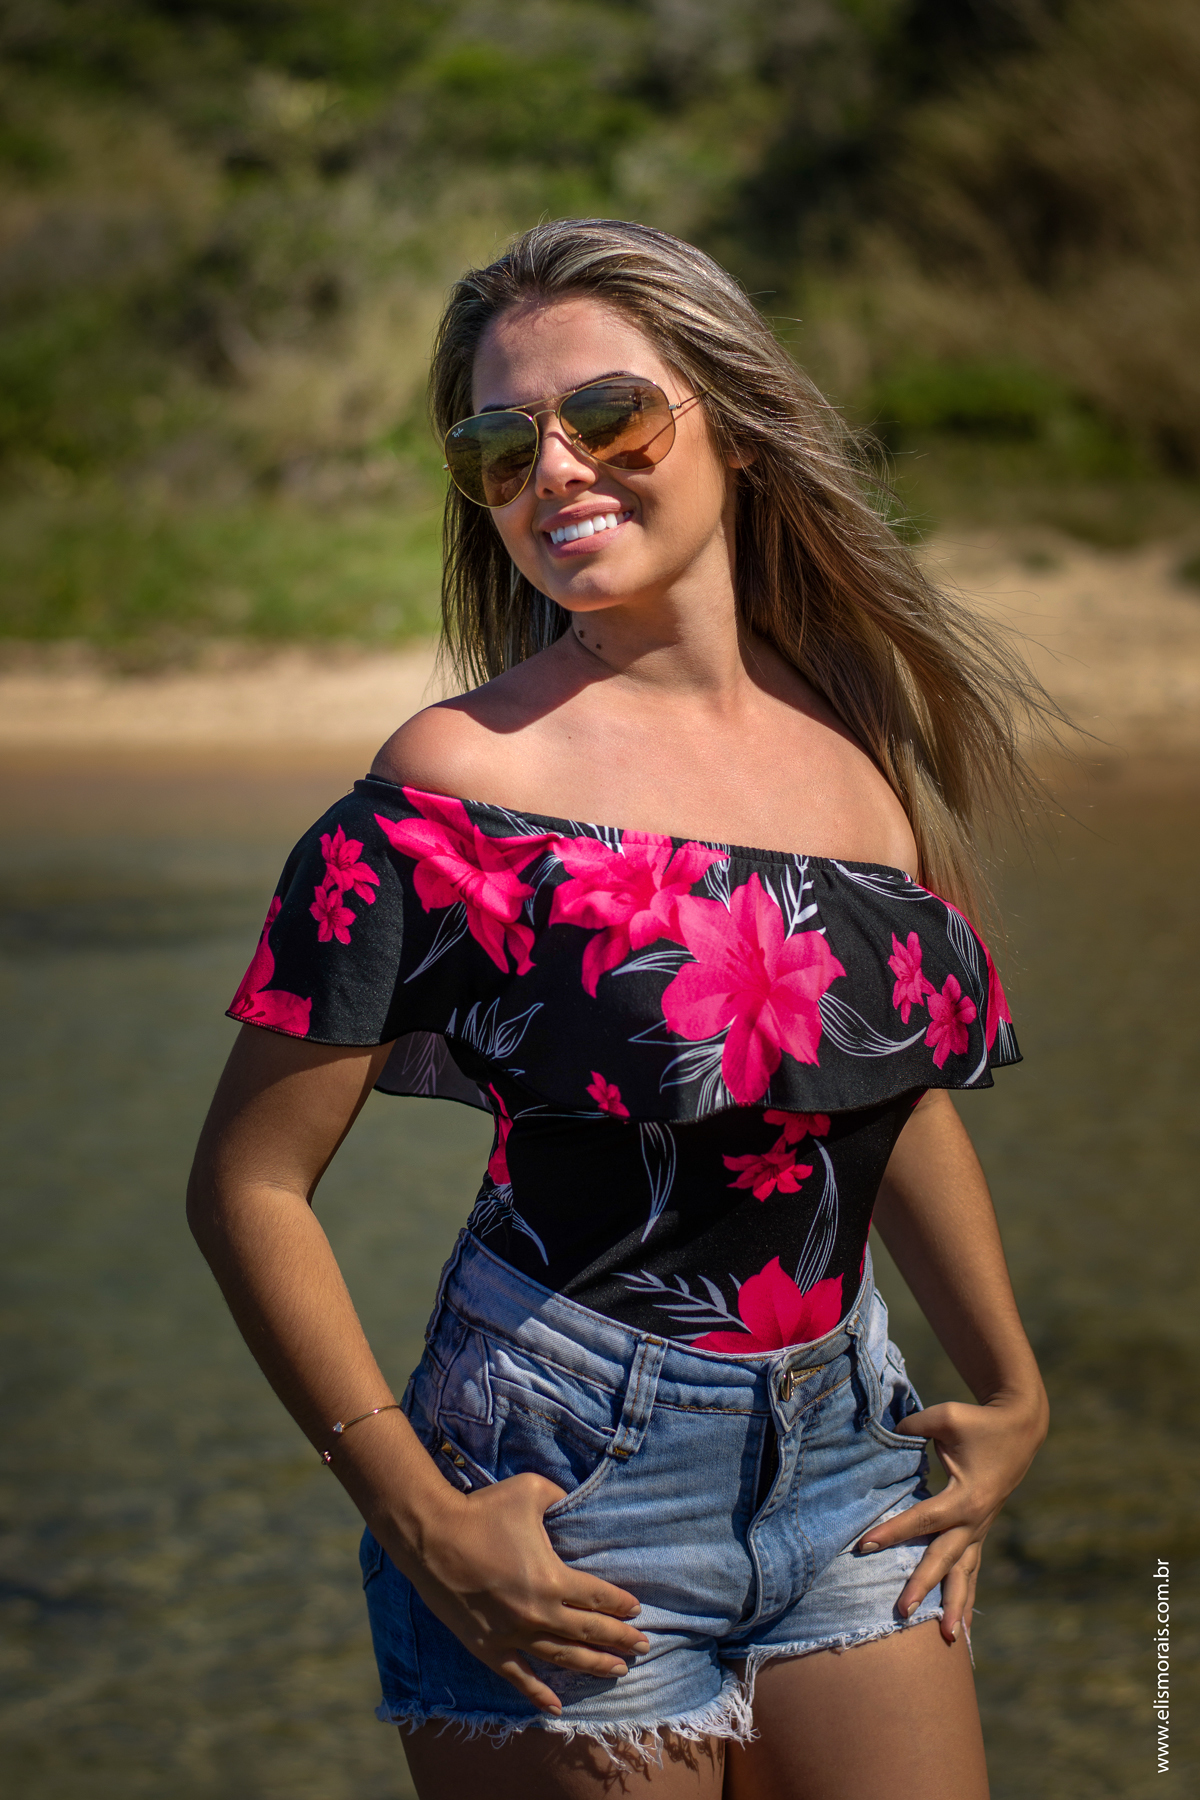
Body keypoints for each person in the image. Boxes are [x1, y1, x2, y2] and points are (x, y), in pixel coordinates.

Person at [187, 218, 1050, 1799]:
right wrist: (414, 1511)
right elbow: (248, 1184)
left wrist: (1009, 1384)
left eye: (607, 415)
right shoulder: (457, 790)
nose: (556, 472)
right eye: (499, 448)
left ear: (737, 424)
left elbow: (885, 1095)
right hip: (562, 1469)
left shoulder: (861, 756)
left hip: (850, 1453)